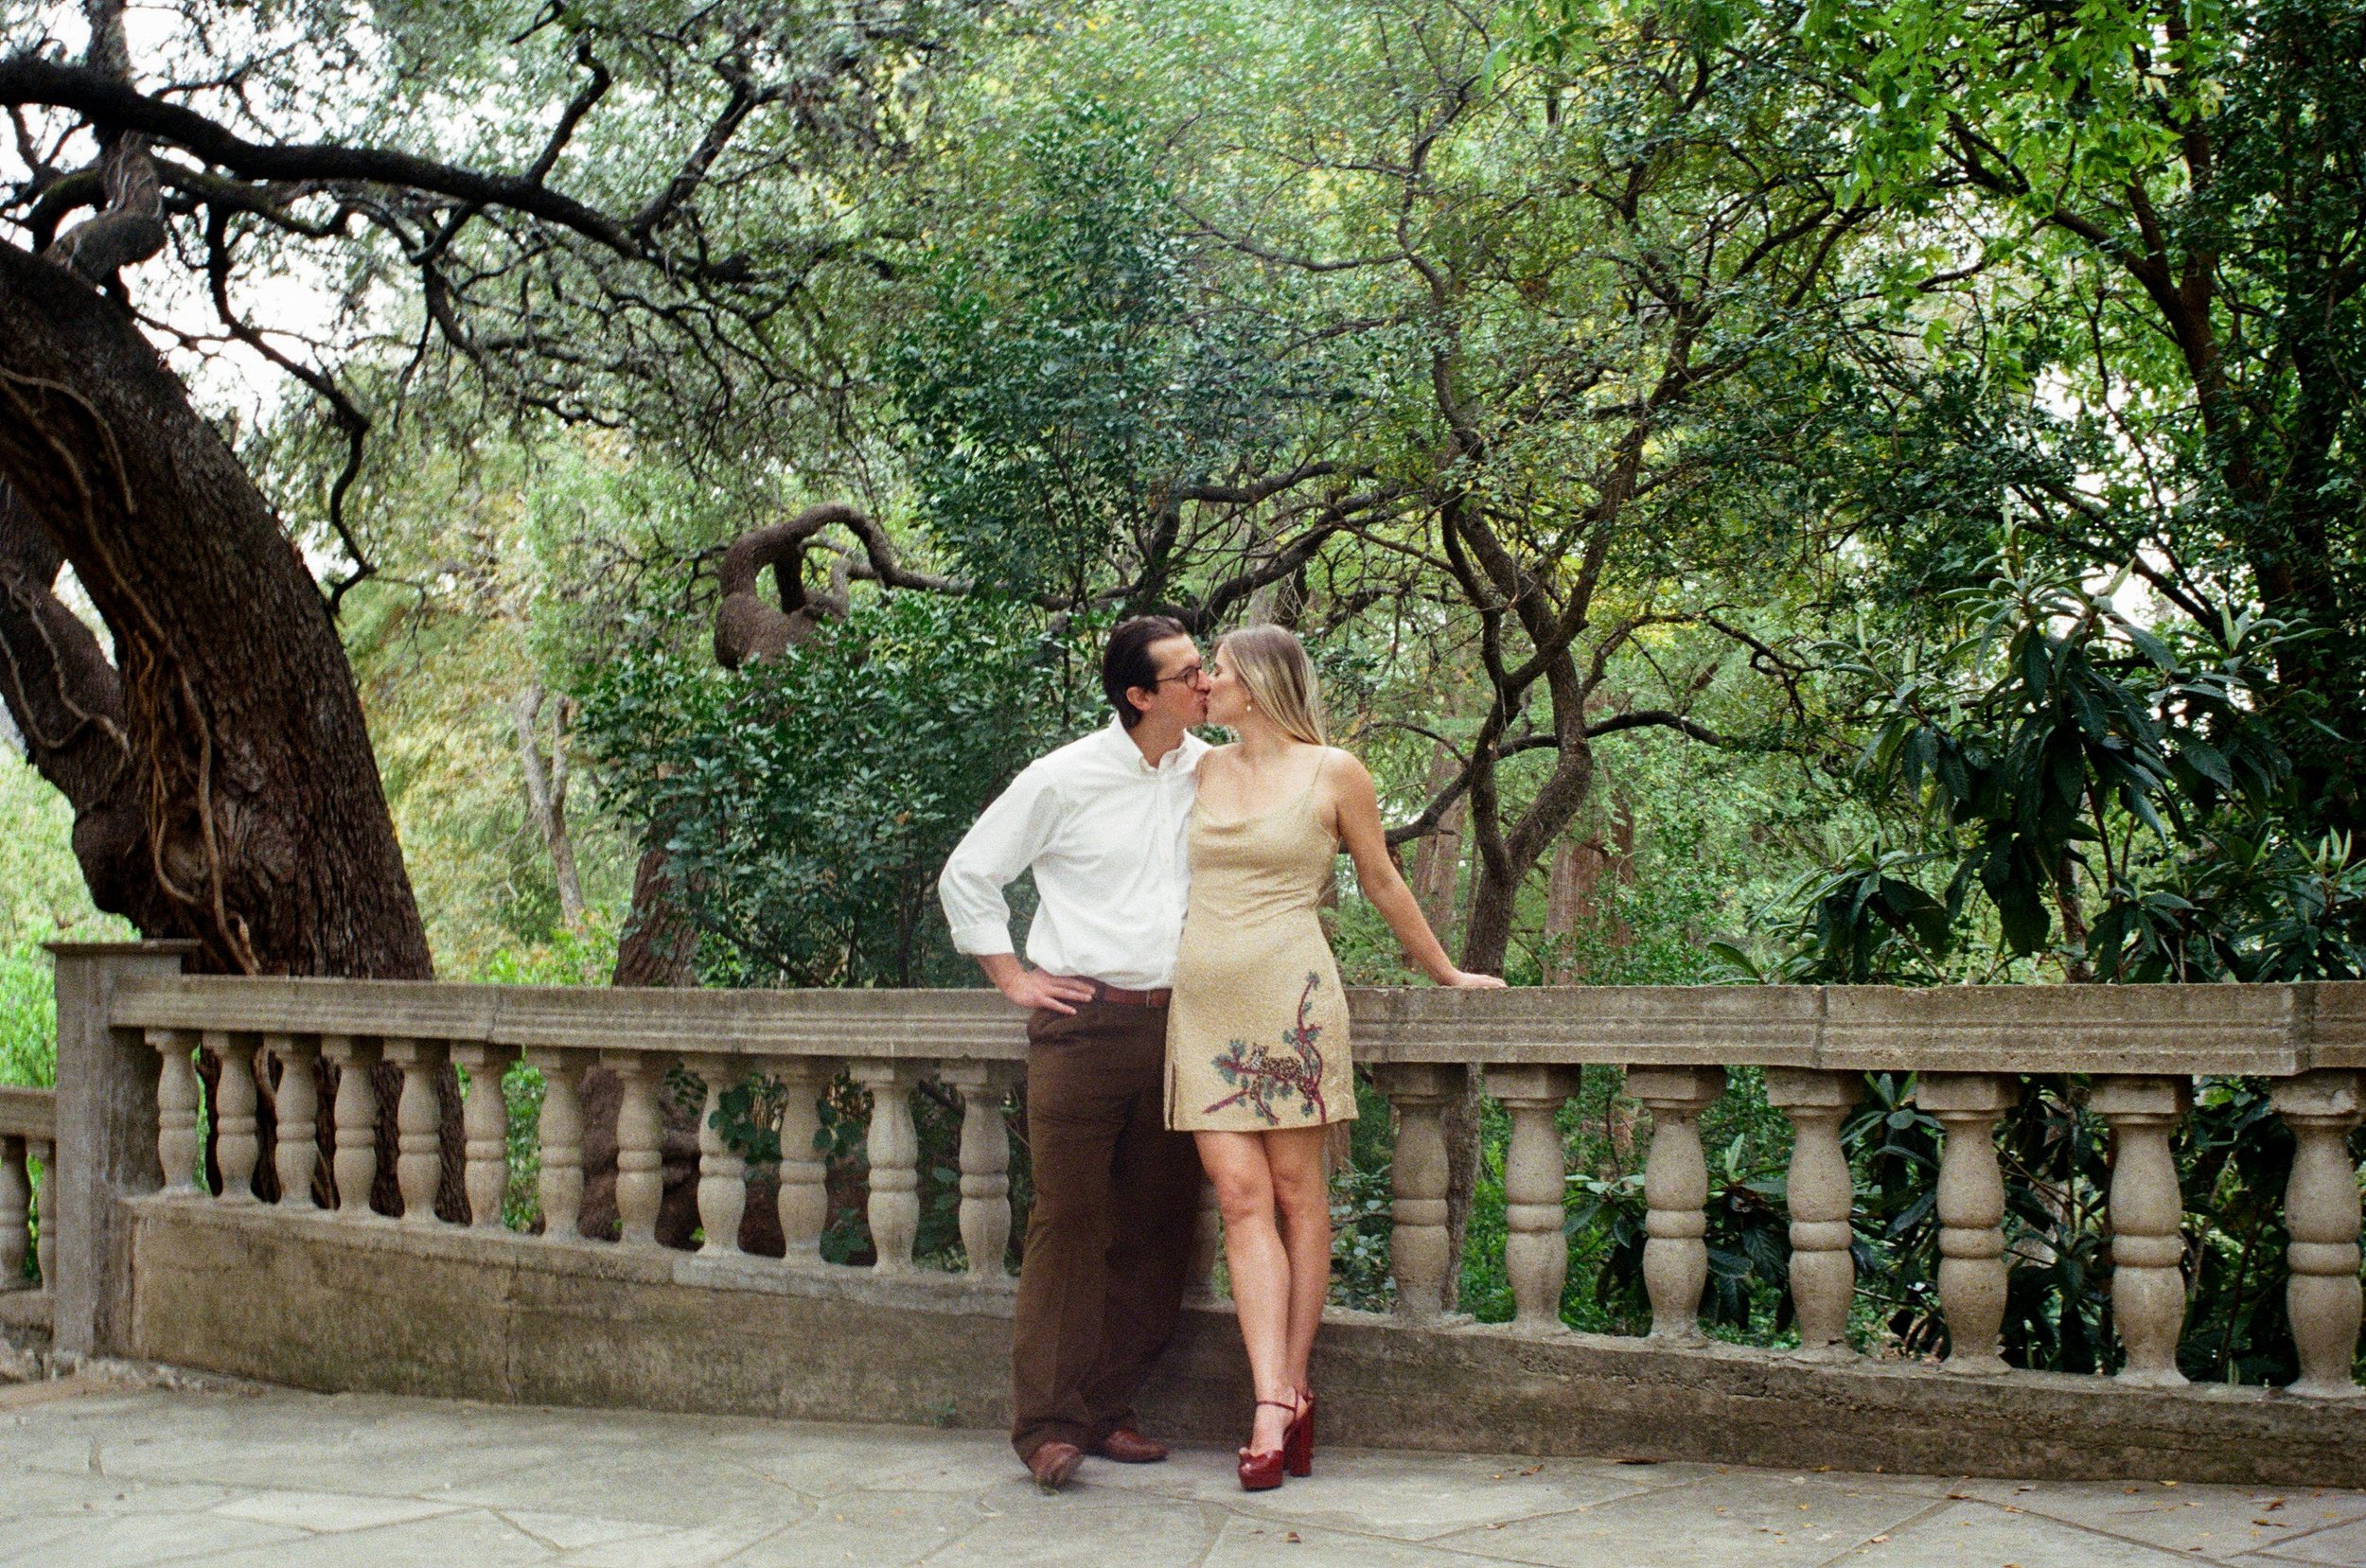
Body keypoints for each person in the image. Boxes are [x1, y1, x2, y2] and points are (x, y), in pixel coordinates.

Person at [1165, 624, 1503, 1491]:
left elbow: (1384, 879)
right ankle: (1275, 1394)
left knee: (1293, 1192)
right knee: (1239, 1197)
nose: (1207, 685)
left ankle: (1284, 1393)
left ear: (1263, 683)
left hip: (1293, 1001)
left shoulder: (1334, 771)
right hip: (1203, 1006)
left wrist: (1446, 970)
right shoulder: (1195, 768)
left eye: (1222, 673)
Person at [936, 615, 1214, 1490]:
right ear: (1140, 695)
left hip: (1183, 1027)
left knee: (1161, 1223)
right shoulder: (1062, 777)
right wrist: (1013, 976)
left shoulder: (1213, 770)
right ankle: (1048, 1426)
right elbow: (969, 873)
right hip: (1082, 1026)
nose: (1207, 683)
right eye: (1189, 674)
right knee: (1068, 1223)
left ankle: (1109, 1409)